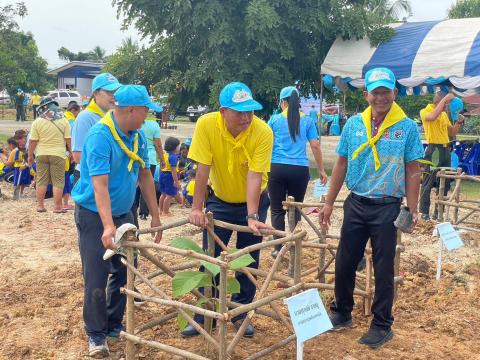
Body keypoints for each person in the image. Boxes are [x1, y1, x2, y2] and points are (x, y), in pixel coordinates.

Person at [319, 67, 424, 349]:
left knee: (383, 267)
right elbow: (341, 163)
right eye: (375, 92)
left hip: (387, 207)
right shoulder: (354, 125)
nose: (380, 97)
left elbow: (412, 168)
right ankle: (342, 312)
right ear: (366, 94)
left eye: (385, 92)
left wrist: (412, 207)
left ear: (395, 93)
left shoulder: (408, 128)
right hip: (356, 203)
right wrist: (329, 202)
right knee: (344, 261)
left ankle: (381, 324)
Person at [71, 84, 162, 358]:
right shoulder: (100, 136)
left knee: (125, 272)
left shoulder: (137, 136)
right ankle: (96, 334)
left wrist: (155, 214)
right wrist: (108, 225)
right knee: (97, 275)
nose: (148, 116)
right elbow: (100, 185)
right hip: (94, 215)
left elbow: (145, 175)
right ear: (131, 109)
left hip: (126, 214)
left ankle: (113, 323)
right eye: (146, 111)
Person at [182, 82, 273, 338]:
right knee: (211, 257)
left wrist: (252, 216)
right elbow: (203, 168)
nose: (246, 117)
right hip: (220, 200)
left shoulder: (263, 131)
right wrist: (197, 207)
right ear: (223, 111)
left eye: (250, 111)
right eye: (239, 112)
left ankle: (241, 314)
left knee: (248, 259)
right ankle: (205, 314)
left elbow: (256, 176)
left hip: (253, 201)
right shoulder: (206, 124)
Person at [268, 86, 328, 258]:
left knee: (277, 209)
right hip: (299, 170)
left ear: (283, 102)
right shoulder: (308, 120)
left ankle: (278, 248)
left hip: (277, 168)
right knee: (295, 208)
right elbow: (315, 145)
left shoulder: (274, 120)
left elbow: (266, 144)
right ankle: (294, 244)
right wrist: (322, 170)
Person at [419, 92, 464, 220]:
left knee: (445, 181)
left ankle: (438, 212)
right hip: (434, 150)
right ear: (440, 102)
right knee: (428, 181)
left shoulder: (444, 114)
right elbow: (432, 117)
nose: (446, 108)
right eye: (445, 105)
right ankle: (424, 212)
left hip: (445, 150)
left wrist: (459, 122)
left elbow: (451, 132)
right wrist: (446, 99)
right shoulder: (425, 111)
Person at [71, 73, 122, 184]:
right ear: (95, 93)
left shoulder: (115, 116)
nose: (114, 96)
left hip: (110, 175)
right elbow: (78, 156)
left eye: (116, 92)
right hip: (89, 178)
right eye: (109, 92)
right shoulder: (85, 117)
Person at [27, 98, 71, 213]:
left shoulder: (37, 122)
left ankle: (40, 206)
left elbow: (33, 141)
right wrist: (71, 152)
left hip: (41, 154)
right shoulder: (64, 121)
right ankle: (57, 207)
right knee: (58, 181)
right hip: (58, 155)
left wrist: (30, 155)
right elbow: (68, 139)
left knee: (41, 180)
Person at [136, 112, 165, 220]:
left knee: (136, 184)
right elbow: (158, 144)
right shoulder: (154, 125)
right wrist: (162, 159)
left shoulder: (136, 121)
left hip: (136, 156)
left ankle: (134, 208)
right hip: (150, 158)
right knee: (147, 185)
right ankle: (143, 213)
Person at [158, 137, 181, 216]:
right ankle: (166, 211)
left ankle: (160, 210)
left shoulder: (164, 154)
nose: (179, 147)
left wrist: (159, 176)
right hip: (169, 176)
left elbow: (161, 166)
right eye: (178, 146)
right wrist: (176, 181)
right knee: (169, 195)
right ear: (174, 147)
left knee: (163, 194)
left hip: (162, 174)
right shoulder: (173, 157)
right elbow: (174, 170)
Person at [7, 131, 30, 199]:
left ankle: (21, 192)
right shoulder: (17, 151)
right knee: (18, 180)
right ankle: (16, 192)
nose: (21, 146)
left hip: (25, 167)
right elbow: (16, 159)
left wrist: (25, 160)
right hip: (18, 168)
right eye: (20, 145)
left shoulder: (27, 150)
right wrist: (22, 159)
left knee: (24, 180)